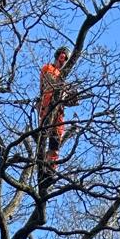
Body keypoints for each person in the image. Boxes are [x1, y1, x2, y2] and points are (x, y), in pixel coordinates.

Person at [38, 46, 78, 174]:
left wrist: (71, 96)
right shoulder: (48, 69)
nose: (64, 62)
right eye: (64, 59)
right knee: (43, 137)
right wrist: (64, 90)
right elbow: (51, 86)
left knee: (55, 143)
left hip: (58, 111)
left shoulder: (61, 77)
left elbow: (67, 99)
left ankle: (50, 170)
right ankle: (41, 164)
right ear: (61, 56)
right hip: (47, 107)